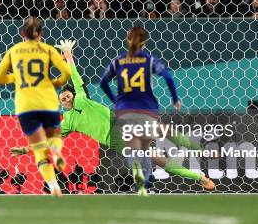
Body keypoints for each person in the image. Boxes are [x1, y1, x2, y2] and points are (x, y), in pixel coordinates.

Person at [11, 39, 213, 192]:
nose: (65, 99)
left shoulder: (82, 99)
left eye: (67, 95)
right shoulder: (68, 122)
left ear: (73, 94)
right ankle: (197, 177)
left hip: (119, 126)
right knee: (157, 158)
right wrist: (27, 149)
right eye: (62, 98)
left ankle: (145, 185)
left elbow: (75, 76)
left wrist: (68, 56)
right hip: (114, 138)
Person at [99, 26, 215, 195]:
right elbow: (168, 77)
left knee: (135, 149)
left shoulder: (118, 61)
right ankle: (145, 181)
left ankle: (141, 180)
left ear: (127, 40)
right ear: (145, 43)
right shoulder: (149, 60)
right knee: (150, 145)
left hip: (125, 112)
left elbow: (103, 83)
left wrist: (116, 101)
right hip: (146, 111)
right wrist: (175, 99)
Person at [0, 17, 71, 196]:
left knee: (39, 150)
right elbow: (66, 72)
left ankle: (53, 186)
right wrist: (56, 82)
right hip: (47, 101)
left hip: (26, 106)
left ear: (22, 34)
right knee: (54, 137)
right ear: (41, 35)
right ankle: (57, 153)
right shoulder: (48, 49)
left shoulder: (14, 51)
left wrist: (16, 78)